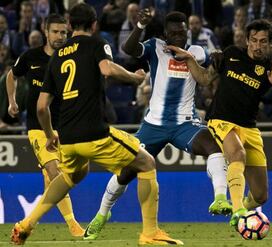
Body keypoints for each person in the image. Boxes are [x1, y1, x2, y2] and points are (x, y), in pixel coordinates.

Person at [10, 3, 183, 246]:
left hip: (67, 139)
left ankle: (25, 225)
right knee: (146, 163)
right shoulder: (96, 43)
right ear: (94, 25)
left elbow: (40, 107)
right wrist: (134, 78)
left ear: (69, 26)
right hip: (94, 132)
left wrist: (50, 135)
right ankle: (150, 233)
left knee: (73, 174)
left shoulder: (57, 57)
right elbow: (107, 69)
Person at [84, 9, 231, 240]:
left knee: (214, 147)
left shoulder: (196, 52)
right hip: (154, 125)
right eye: (174, 34)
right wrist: (140, 26)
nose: (179, 38)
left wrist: (218, 61)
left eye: (182, 33)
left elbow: (207, 75)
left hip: (186, 123)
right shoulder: (155, 47)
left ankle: (221, 198)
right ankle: (102, 214)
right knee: (126, 173)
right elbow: (129, 49)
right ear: (165, 35)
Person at [166, 19, 272, 228]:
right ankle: (238, 211)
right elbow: (205, 79)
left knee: (261, 195)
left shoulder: (270, 69)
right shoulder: (231, 54)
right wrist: (190, 59)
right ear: (247, 40)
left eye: (263, 42)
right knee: (237, 154)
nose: (258, 46)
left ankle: (243, 205)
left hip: (249, 128)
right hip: (222, 120)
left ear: (270, 44)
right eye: (253, 40)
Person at [6, 13, 84, 237]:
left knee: (54, 179)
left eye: (64, 33)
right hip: (38, 127)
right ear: (45, 31)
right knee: (56, 172)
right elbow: (12, 75)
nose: (60, 36)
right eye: (56, 32)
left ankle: (28, 223)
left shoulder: (70, 60)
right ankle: (73, 226)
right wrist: (12, 102)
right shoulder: (31, 57)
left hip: (65, 127)